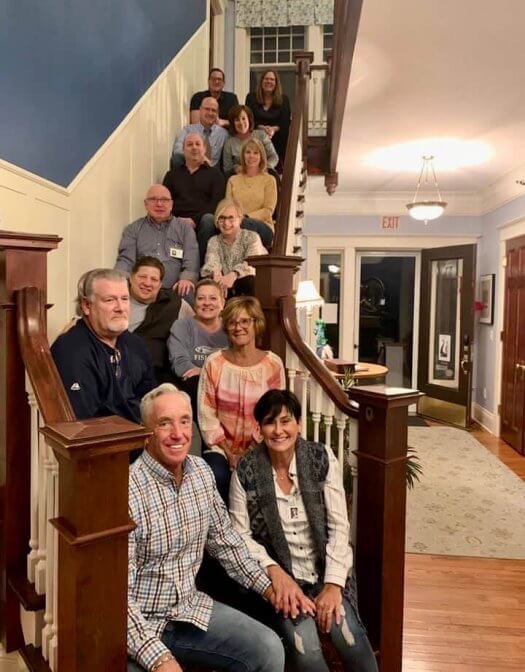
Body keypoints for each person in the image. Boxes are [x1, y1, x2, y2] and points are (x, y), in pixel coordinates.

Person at [127, 384, 285, 672]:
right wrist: (160, 659)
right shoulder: (127, 492)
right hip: (141, 625)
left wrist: (269, 588)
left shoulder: (201, 473)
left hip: (190, 611)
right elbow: (117, 599)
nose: (178, 433)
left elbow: (226, 542)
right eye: (165, 423)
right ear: (145, 432)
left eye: (185, 421)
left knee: (269, 649)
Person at [230, 389, 379, 672]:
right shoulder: (246, 471)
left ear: (298, 424)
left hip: (326, 573)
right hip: (283, 582)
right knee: (306, 649)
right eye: (270, 422)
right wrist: (275, 572)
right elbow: (240, 536)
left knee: (351, 640)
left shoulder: (321, 459)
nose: (278, 430)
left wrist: (334, 585)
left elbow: (339, 526)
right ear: (259, 429)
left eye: (286, 421)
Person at [198, 296, 285, 500]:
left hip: (262, 446)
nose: (238, 327)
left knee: (260, 477)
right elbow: (206, 413)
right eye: (232, 322)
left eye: (245, 321)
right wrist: (229, 453)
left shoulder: (273, 364)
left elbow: (274, 415)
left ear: (257, 323)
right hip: (220, 449)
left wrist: (251, 451)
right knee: (216, 475)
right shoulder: (214, 363)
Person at [51, 268, 155, 424]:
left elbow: (151, 402)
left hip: (143, 439)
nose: (120, 308)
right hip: (100, 443)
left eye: (125, 299)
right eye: (110, 300)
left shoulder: (136, 344)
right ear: (87, 305)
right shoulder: (71, 350)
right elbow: (84, 423)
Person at [115, 184, 199, 296]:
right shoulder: (133, 229)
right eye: (153, 199)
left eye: (164, 200)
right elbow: (126, 260)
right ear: (146, 204)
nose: (159, 204)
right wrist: (119, 280)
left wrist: (187, 279)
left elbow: (191, 259)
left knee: (188, 292)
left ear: (171, 204)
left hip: (174, 288)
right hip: (143, 287)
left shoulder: (185, 229)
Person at [128, 257, 194, 384]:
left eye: (154, 279)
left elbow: (199, 326)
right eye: (142, 277)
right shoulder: (117, 299)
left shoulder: (175, 304)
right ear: (131, 278)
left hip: (155, 377)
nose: (147, 283)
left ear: (160, 285)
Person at [163, 133, 226, 264]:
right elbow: (165, 202)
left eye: (198, 144)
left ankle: (200, 266)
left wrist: (194, 220)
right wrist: (176, 219)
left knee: (208, 220)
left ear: (204, 149)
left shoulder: (215, 175)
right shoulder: (172, 175)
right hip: (176, 220)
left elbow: (217, 204)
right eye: (189, 144)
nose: (194, 147)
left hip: (202, 223)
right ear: (183, 150)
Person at [168, 279, 228, 415]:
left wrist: (204, 371)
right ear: (195, 304)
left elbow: (238, 362)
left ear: (223, 303)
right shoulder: (182, 326)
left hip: (227, 385)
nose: (207, 303)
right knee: (194, 383)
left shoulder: (231, 327)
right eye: (201, 298)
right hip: (194, 388)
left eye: (213, 298)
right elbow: (180, 364)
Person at [201, 199, 267, 298]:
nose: (226, 223)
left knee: (248, 281)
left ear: (240, 219)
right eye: (222, 218)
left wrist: (234, 274)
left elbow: (252, 264)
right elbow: (212, 261)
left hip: (251, 285)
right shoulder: (214, 241)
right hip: (226, 287)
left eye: (231, 218)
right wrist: (217, 274)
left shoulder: (252, 237)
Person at [225, 138, 277, 248]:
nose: (251, 156)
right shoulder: (233, 180)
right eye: (248, 152)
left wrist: (246, 217)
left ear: (261, 156)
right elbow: (228, 207)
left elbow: (268, 210)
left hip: (263, 226)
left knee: (245, 225)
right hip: (236, 224)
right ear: (243, 155)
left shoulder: (269, 180)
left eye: (255, 153)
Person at [245, 70, 291, 167]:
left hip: (277, 137)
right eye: (266, 79)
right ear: (261, 81)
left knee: (284, 135)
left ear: (276, 83)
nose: (269, 81)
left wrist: (273, 129)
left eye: (272, 79)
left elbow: (285, 122)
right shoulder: (251, 97)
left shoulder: (284, 99)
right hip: (256, 135)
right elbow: (248, 119)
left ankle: (278, 165)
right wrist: (262, 128)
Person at [222, 104, 279, 176]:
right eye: (237, 120)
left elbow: (274, 157)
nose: (241, 122)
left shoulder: (261, 135)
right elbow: (227, 169)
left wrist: (264, 168)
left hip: (263, 175)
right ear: (233, 123)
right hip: (241, 178)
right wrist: (236, 168)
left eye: (243, 118)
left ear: (249, 119)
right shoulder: (229, 143)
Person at [172, 97, 228, 168]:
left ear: (217, 113)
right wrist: (198, 157)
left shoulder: (223, 134)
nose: (210, 113)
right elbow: (177, 150)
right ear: (200, 110)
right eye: (207, 109)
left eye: (213, 110)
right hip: (191, 170)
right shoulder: (188, 130)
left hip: (212, 173)